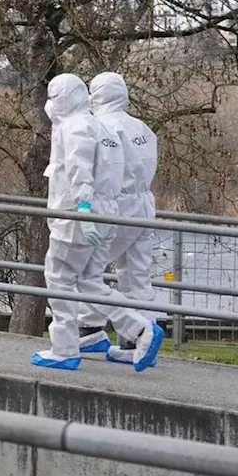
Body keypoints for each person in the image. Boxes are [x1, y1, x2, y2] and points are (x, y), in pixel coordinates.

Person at [31, 73, 164, 372]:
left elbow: (79, 172)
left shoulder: (83, 126)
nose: (49, 105)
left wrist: (83, 207)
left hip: (84, 214)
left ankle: (66, 347)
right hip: (122, 209)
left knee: (61, 279)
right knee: (104, 279)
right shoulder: (121, 127)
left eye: (53, 98)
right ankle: (140, 330)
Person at [76, 72, 164, 364]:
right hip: (144, 207)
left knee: (87, 270)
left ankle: (90, 330)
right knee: (137, 275)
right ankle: (138, 341)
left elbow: (94, 171)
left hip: (114, 206)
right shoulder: (142, 128)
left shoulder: (97, 127)